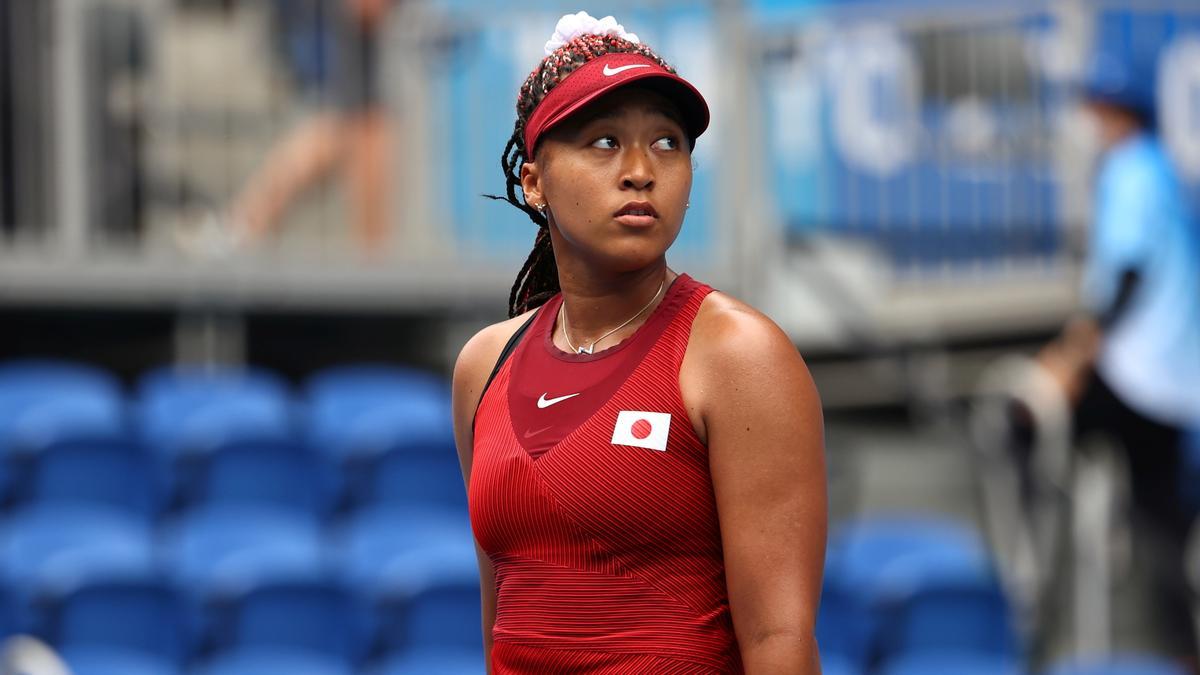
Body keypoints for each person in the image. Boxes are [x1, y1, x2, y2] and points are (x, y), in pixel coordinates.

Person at [450, 12, 826, 673]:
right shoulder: (484, 365)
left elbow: (779, 643)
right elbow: (502, 623)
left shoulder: (739, 355)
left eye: (667, 143)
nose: (639, 171)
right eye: (603, 142)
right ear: (534, 182)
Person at [1038, 47, 1200, 663]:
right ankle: (1180, 650)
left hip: (1142, 376)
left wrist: (1074, 356)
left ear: (1116, 113)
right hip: (1174, 380)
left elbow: (1128, 277)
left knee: (1024, 425)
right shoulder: (1159, 168)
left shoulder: (1130, 171)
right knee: (1162, 523)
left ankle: (1041, 594)